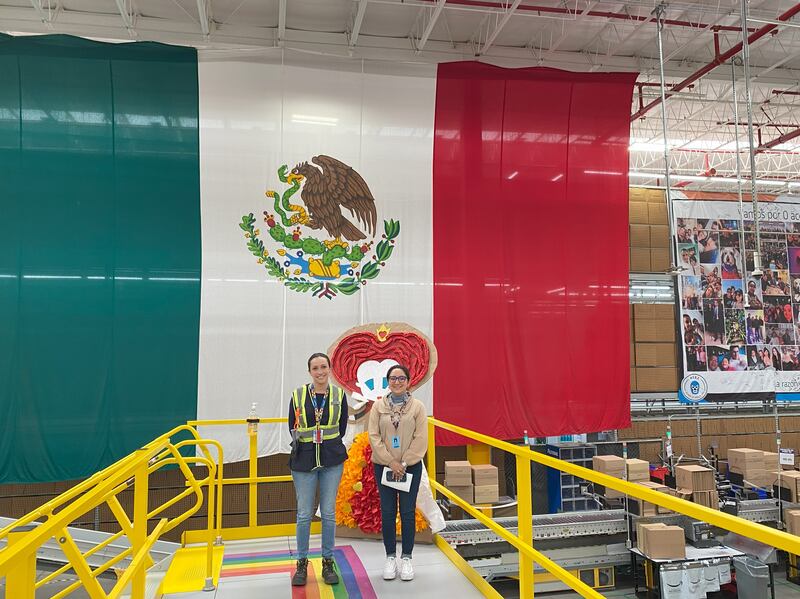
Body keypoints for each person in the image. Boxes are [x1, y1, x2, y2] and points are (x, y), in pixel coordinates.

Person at [289, 353, 349, 586]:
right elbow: (291, 426)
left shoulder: (339, 394)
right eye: (315, 368)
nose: (320, 371)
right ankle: (302, 564)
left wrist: (327, 444)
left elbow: (341, 427)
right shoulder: (298, 395)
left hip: (332, 460)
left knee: (329, 513)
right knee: (304, 514)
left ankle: (327, 561)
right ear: (310, 371)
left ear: (330, 369)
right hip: (303, 461)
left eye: (324, 366)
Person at [368, 364, 428, 582]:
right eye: (393, 378)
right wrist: (390, 462)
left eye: (401, 378)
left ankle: (407, 558)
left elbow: (421, 439)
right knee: (387, 511)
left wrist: (403, 462)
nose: (397, 382)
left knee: (408, 511)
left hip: (409, 467)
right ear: (388, 382)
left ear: (408, 381)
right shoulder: (378, 407)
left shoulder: (418, 407)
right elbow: (373, 436)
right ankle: (390, 557)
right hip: (384, 466)